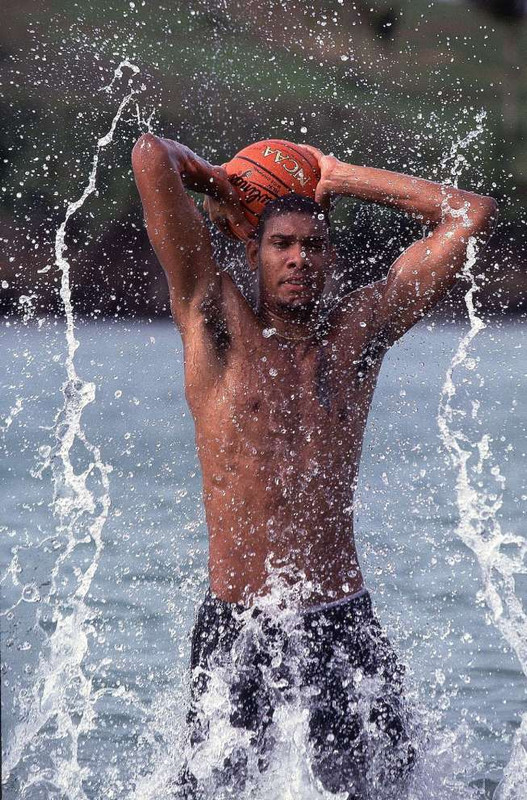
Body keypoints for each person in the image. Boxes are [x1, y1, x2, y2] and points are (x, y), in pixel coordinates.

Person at [131, 133, 497, 798]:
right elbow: (152, 157)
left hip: (342, 622)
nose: (300, 258)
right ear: (253, 251)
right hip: (239, 626)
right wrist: (217, 183)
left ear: (332, 258)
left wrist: (341, 175)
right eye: (282, 244)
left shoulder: (358, 338)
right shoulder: (215, 325)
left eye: (314, 245)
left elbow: (468, 213)